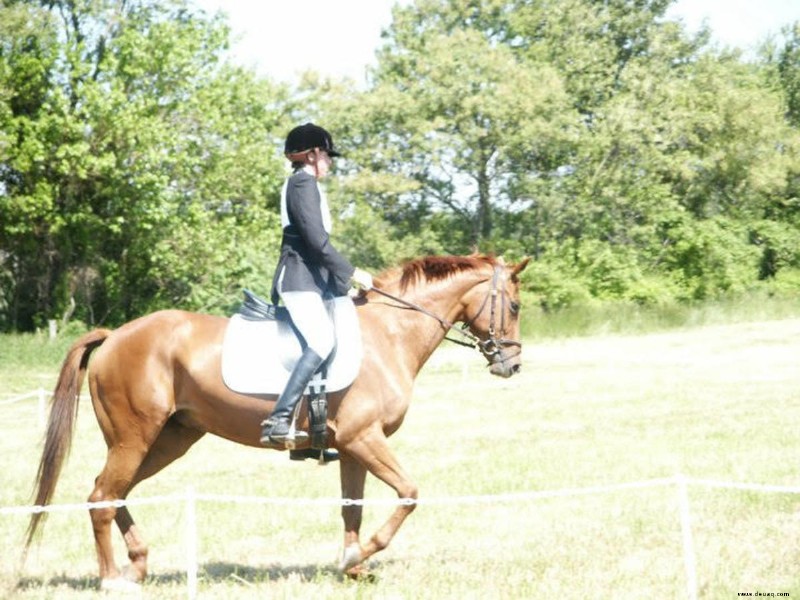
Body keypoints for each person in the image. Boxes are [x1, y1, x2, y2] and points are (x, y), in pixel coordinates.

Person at [260, 122, 372, 446]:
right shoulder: (301, 184)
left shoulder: (305, 184)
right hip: (298, 278)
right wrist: (353, 272)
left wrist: (340, 289)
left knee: (334, 333)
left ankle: (317, 429)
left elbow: (318, 248)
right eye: (327, 155)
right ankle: (279, 419)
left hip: (312, 279)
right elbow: (316, 243)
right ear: (312, 155)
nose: (331, 162)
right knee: (322, 340)